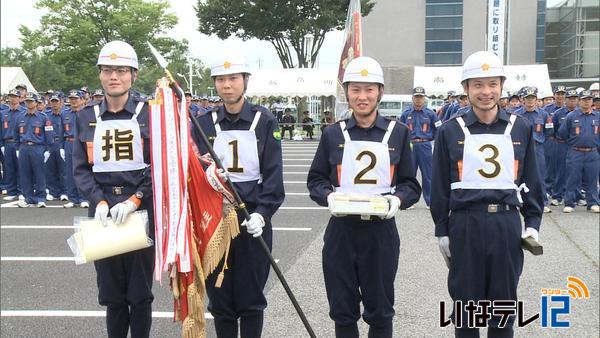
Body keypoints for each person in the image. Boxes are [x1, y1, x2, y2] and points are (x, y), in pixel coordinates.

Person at [431, 51, 543, 338]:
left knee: (503, 307)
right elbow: (440, 187)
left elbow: (531, 178)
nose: (486, 92)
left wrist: (532, 223)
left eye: (492, 84)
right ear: (466, 88)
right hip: (465, 223)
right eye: (477, 84)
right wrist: (442, 229)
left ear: (502, 86)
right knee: (466, 309)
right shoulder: (449, 130)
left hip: (505, 224)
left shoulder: (521, 127)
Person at [307, 56, 421, 338]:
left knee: (380, 311)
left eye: (369, 89)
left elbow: (410, 184)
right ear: (347, 92)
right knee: (343, 310)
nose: (362, 96)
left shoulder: (398, 133)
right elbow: (316, 179)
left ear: (380, 92)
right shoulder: (332, 134)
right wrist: (328, 196)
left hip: (380, 232)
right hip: (342, 231)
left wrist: (398, 200)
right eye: (356, 89)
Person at [192, 50, 284, 338]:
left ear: (245, 81)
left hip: (251, 220)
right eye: (220, 79)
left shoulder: (265, 121)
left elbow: (273, 175)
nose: (227, 85)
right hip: (215, 222)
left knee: (251, 298)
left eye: (233, 78)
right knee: (220, 299)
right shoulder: (203, 123)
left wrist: (263, 213)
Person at [73, 40, 155, 337]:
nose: (113, 76)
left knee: (140, 294)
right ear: (100, 74)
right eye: (107, 69)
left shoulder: (149, 114)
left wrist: (136, 199)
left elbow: (159, 166)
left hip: (139, 211)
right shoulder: (85, 116)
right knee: (112, 295)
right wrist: (99, 201)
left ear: (133, 74)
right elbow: (81, 168)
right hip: (103, 214)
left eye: (121, 70)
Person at [558, 90, 600, 213]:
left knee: (592, 179)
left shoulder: (597, 116)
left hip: (592, 152)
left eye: (589, 99)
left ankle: (592, 202)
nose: (586, 102)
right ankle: (570, 203)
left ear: (592, 101)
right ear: (579, 101)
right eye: (584, 99)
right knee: (572, 178)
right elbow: (562, 133)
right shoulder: (571, 116)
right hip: (575, 152)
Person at [400, 86, 440, 208]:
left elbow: (438, 129)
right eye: (416, 97)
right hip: (410, 146)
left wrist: (432, 141)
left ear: (424, 98)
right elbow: (400, 131)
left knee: (428, 175)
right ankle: (409, 201)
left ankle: (429, 201)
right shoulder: (406, 114)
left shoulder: (431, 114)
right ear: (412, 98)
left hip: (425, 145)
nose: (418, 100)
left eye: (420, 97)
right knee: (409, 174)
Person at [15, 93, 54, 208]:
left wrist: (48, 150)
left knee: (39, 173)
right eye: (27, 101)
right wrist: (18, 148)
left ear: (36, 103)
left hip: (38, 147)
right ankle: (28, 197)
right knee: (25, 173)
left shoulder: (43, 117)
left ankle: (41, 197)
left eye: (31, 101)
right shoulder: (20, 117)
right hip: (24, 147)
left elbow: (49, 134)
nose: (29, 103)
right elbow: (15, 133)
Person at [520, 87, 554, 213]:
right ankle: (520, 201)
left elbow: (549, 131)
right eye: (527, 98)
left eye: (532, 98)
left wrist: (540, 139)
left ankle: (543, 202)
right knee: (520, 175)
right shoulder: (517, 114)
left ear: (536, 99)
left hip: (537, 148)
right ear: (523, 100)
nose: (530, 100)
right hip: (521, 148)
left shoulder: (544, 114)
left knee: (540, 176)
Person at [63, 90, 89, 208]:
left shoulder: (86, 113)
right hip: (68, 142)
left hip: (82, 143)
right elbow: (60, 131)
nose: (73, 101)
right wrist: (61, 147)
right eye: (71, 99)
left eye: (76, 98)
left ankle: (83, 197)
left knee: (82, 170)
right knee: (69, 171)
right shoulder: (65, 113)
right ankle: (73, 198)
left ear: (82, 100)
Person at [0, 89, 25, 200]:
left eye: (15, 96)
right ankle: (12, 191)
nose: (13, 99)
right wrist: (2, 145)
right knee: (8, 168)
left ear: (19, 98)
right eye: (11, 96)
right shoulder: (3, 113)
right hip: (7, 143)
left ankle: (21, 191)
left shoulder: (24, 112)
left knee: (20, 168)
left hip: (19, 144)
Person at [45, 93, 67, 201]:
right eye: (52, 101)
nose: (54, 104)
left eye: (56, 101)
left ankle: (64, 191)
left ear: (61, 102)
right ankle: (53, 191)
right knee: (50, 170)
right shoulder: (47, 115)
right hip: (50, 144)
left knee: (63, 170)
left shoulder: (65, 114)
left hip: (61, 144)